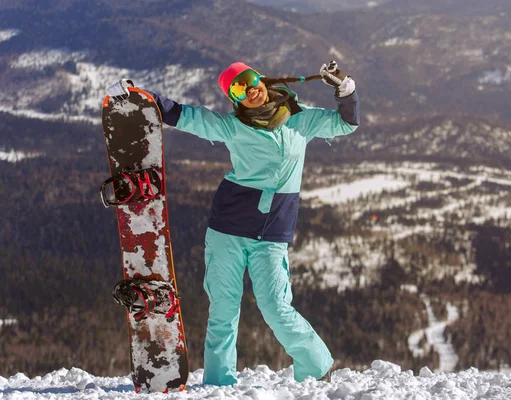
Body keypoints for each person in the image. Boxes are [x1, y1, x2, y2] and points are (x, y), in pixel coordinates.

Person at [106, 60, 360, 386]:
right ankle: (218, 384)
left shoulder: (300, 119)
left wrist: (344, 88)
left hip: (272, 233)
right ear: (234, 99)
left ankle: (317, 366)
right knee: (223, 311)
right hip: (227, 229)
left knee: (276, 306)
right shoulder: (233, 126)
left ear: (261, 79)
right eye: (238, 88)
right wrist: (139, 96)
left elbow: (347, 123)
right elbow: (186, 116)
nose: (250, 89)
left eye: (250, 80)